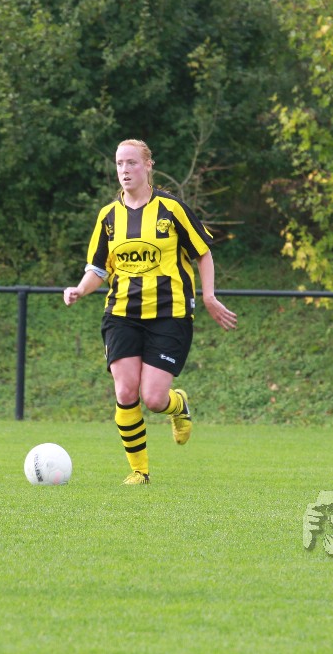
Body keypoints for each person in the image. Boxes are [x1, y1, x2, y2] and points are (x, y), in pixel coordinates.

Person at [62, 139, 237, 484]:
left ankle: (177, 405)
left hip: (169, 314)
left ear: (147, 165)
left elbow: (203, 252)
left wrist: (209, 296)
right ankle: (139, 471)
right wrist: (80, 289)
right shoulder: (108, 217)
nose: (125, 170)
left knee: (154, 399)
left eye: (131, 163)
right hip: (122, 314)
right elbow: (98, 268)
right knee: (125, 392)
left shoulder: (171, 209)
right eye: (119, 164)